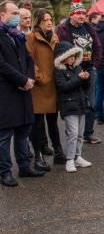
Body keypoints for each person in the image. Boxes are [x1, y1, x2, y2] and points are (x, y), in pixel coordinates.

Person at [0, 0, 41, 186]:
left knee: (23, 131)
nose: (17, 16)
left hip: (24, 91)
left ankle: (24, 167)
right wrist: (22, 80)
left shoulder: (17, 36)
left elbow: (29, 59)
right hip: (7, 92)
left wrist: (30, 78)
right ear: (2, 15)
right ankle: (5, 172)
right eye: (14, 12)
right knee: (5, 136)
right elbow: (2, 65)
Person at [56, 0, 102, 144]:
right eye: (78, 13)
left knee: (91, 102)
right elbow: (60, 51)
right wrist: (72, 67)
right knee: (74, 102)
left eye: (83, 13)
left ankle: (88, 133)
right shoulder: (62, 30)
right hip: (73, 70)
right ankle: (73, 133)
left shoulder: (89, 28)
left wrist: (94, 64)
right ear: (71, 15)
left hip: (89, 68)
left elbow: (98, 47)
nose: (81, 16)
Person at [26, 9, 66, 172]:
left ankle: (58, 151)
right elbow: (29, 61)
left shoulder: (54, 36)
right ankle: (38, 156)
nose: (49, 22)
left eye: (50, 19)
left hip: (53, 85)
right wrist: (40, 77)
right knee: (37, 124)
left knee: (53, 121)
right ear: (38, 22)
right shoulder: (31, 37)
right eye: (45, 20)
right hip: (39, 87)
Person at [54, 41, 92, 173]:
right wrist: (79, 79)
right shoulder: (59, 71)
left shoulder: (77, 68)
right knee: (73, 133)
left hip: (81, 103)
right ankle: (69, 159)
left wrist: (86, 78)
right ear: (63, 57)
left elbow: (85, 87)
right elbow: (64, 87)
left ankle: (78, 156)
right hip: (68, 105)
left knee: (80, 133)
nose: (72, 58)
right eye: (70, 56)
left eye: (74, 56)